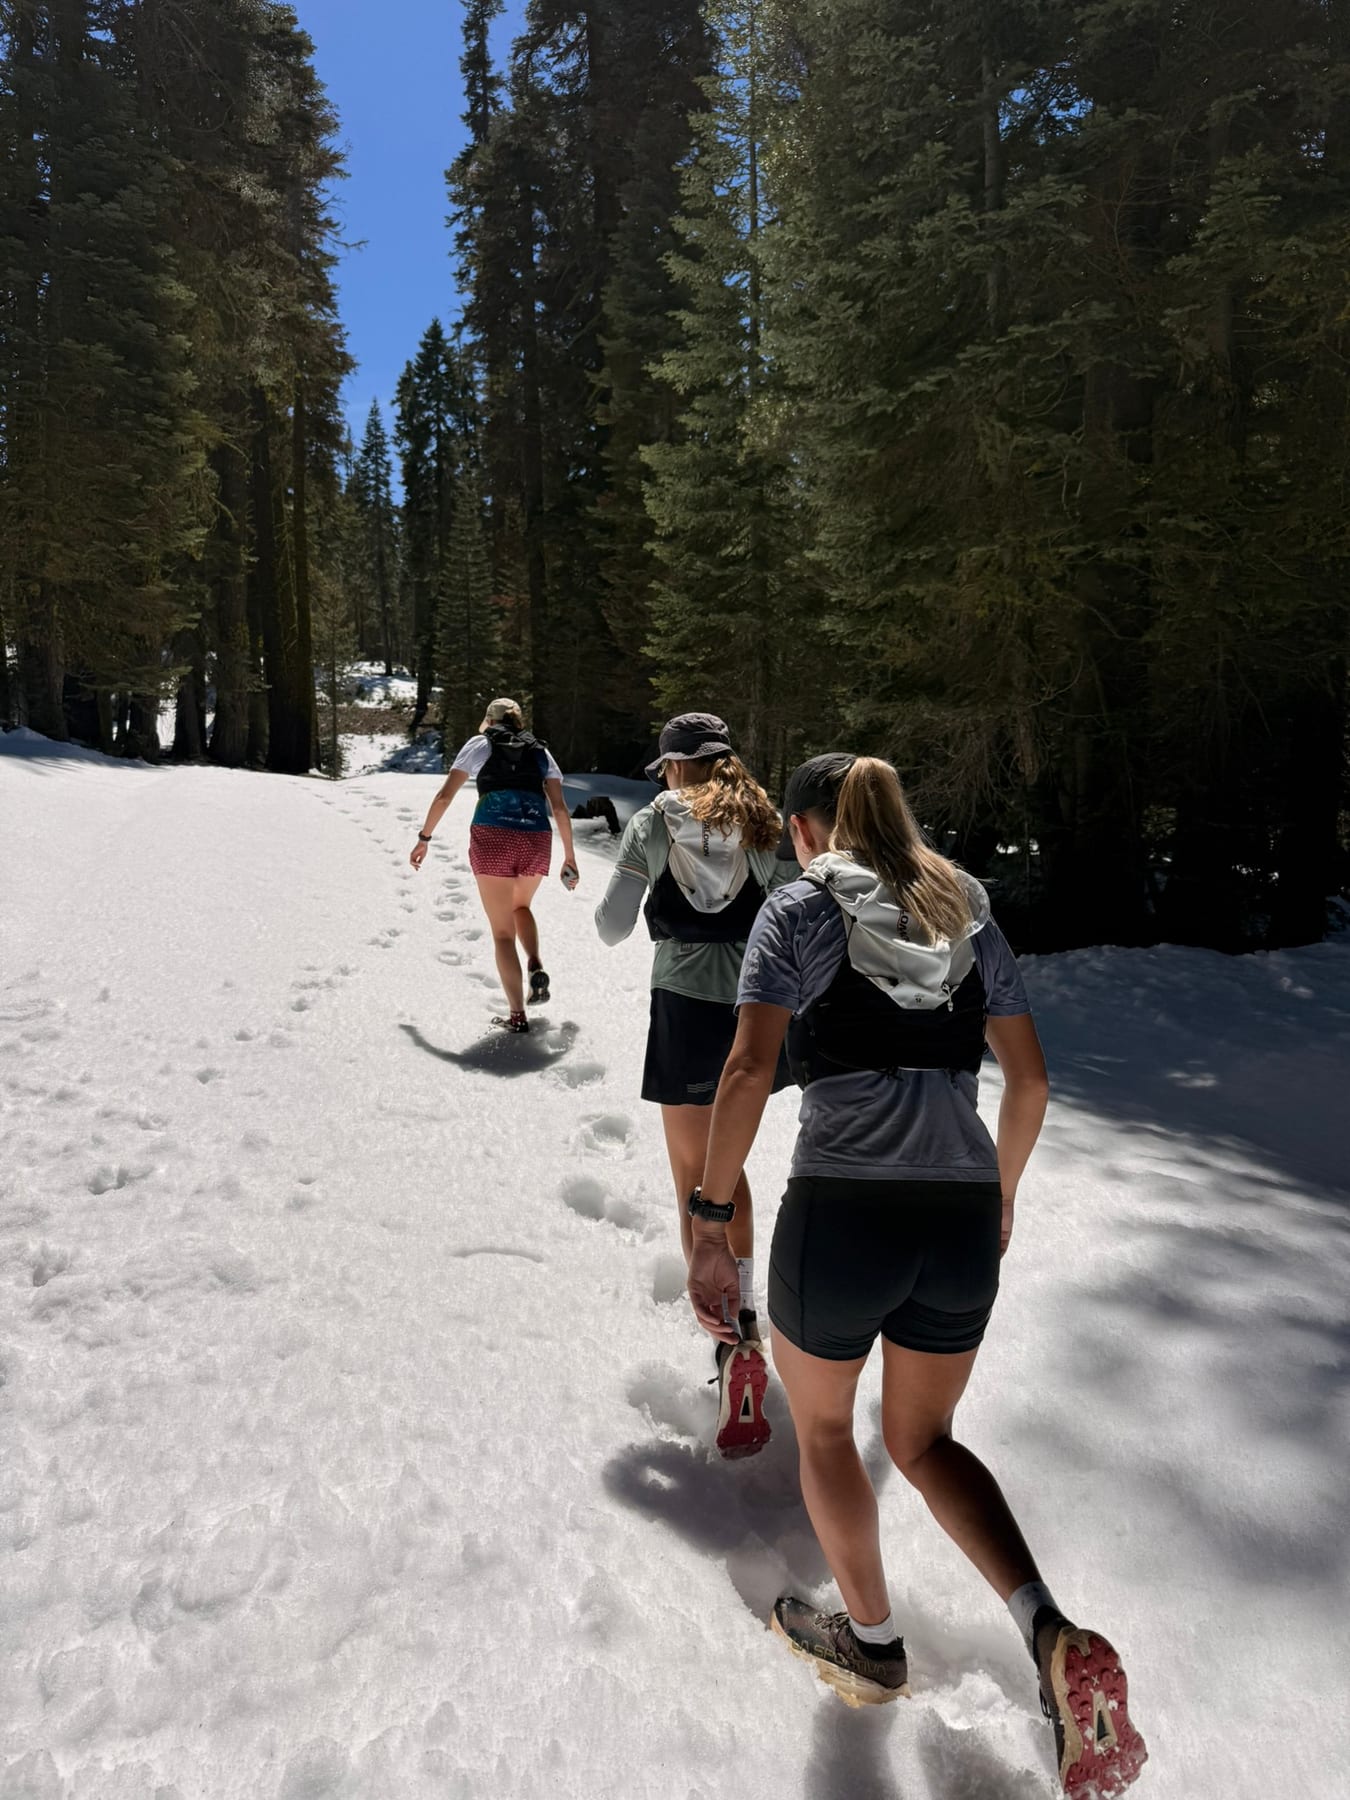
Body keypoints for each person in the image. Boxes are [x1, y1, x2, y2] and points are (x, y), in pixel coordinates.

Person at [686, 753, 1147, 1796]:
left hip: (842, 1215)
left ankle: (874, 1641)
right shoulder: (967, 910)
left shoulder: (799, 910)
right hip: (956, 1216)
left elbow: (750, 1067)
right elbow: (1028, 1077)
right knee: (925, 1440)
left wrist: (713, 1218)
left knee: (821, 1430)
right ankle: (1049, 1631)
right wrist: (1005, 1194)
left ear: (808, 830)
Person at [595, 712, 789, 1457]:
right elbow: (795, 905)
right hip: (753, 1012)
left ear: (674, 767)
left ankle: (730, 1336)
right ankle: (747, 1322)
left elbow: (613, 926)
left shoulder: (654, 821)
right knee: (728, 1171)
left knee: (692, 1180)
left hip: (680, 1003)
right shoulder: (759, 815)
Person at [411, 699, 579, 1034]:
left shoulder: (481, 743)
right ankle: (534, 962)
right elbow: (559, 808)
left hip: (492, 836)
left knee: (502, 933)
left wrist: (424, 837)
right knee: (521, 905)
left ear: (490, 720)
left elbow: (446, 796)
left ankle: (517, 1016)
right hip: (535, 837)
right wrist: (569, 857)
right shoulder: (541, 752)